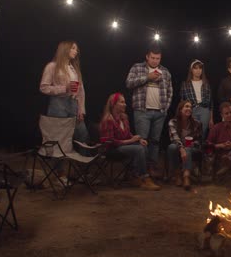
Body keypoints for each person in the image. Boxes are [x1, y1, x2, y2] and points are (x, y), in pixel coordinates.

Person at [40, 41, 90, 184]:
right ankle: (59, 175)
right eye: (73, 48)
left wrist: (81, 109)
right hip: (58, 104)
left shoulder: (74, 69)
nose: (76, 51)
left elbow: (81, 91)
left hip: (73, 104)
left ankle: (82, 173)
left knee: (83, 135)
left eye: (76, 49)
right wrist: (63, 88)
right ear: (65, 49)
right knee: (59, 140)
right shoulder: (52, 66)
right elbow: (44, 87)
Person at [125, 43, 173, 176]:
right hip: (142, 111)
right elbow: (128, 83)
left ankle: (151, 167)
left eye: (158, 58)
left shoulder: (165, 72)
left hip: (159, 112)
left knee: (155, 142)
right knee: (142, 141)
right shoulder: (137, 67)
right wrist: (147, 77)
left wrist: (165, 108)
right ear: (147, 56)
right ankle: (140, 170)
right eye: (152, 58)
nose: (155, 60)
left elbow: (170, 91)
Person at [99, 93, 161, 191]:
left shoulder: (124, 117)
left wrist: (138, 139)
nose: (125, 104)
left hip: (122, 146)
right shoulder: (108, 120)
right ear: (113, 104)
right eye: (122, 102)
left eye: (125, 102)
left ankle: (134, 175)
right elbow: (110, 141)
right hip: (111, 149)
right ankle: (144, 177)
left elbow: (127, 134)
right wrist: (130, 141)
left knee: (142, 145)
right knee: (138, 149)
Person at [166, 100, 203, 190]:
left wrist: (193, 143)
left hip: (192, 148)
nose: (189, 109)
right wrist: (181, 148)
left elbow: (199, 140)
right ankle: (177, 175)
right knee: (172, 147)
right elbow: (174, 138)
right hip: (179, 147)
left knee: (188, 149)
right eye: (186, 106)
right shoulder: (172, 122)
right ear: (180, 110)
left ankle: (186, 176)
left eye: (190, 107)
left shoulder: (196, 123)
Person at [179, 59, 213, 140]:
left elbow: (211, 102)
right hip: (191, 110)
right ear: (191, 70)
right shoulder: (185, 84)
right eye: (195, 68)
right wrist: (181, 116)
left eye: (200, 68)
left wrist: (211, 118)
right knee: (191, 132)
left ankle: (200, 151)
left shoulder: (206, 83)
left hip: (204, 110)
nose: (198, 70)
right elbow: (182, 101)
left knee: (203, 132)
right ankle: (190, 150)